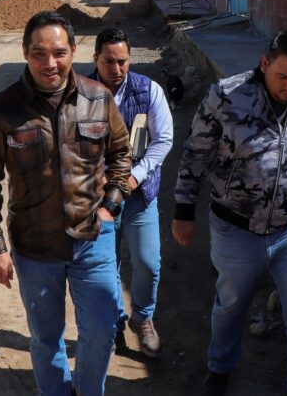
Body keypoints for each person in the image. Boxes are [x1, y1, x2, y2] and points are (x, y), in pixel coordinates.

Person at [171, 30, 287, 396]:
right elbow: (196, 153)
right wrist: (184, 209)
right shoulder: (227, 96)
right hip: (236, 226)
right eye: (283, 76)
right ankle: (220, 366)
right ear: (264, 64)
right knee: (231, 306)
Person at [0, 10, 132, 396]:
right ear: (25, 53)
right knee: (46, 339)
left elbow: (121, 155)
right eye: (39, 54)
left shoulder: (99, 99)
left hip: (93, 240)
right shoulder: (4, 108)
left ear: (74, 51)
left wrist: (110, 204)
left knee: (102, 330)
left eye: (59, 53)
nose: (50, 63)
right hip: (35, 248)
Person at [88, 28, 173, 356]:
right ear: (95, 58)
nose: (117, 68)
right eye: (109, 61)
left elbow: (163, 140)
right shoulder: (80, 93)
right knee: (106, 266)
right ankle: (114, 323)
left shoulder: (148, 90)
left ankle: (143, 317)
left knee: (148, 263)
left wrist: (136, 176)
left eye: (122, 61)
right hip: (97, 200)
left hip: (139, 196)